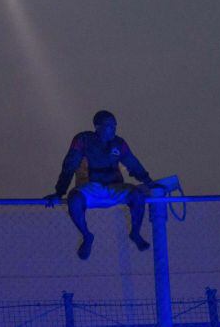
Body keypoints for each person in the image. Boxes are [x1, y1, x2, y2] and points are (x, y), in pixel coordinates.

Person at [44, 110, 154, 260]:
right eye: (109, 125)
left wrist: (149, 182)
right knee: (74, 200)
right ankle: (87, 235)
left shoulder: (119, 143)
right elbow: (69, 165)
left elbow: (133, 164)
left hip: (114, 186)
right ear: (97, 126)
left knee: (137, 195)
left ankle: (135, 233)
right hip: (92, 187)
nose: (113, 129)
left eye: (115, 125)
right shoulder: (83, 140)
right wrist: (59, 192)